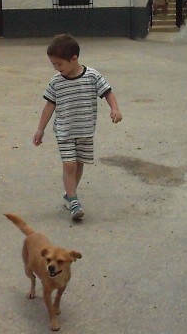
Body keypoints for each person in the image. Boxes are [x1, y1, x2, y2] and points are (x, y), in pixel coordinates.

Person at [33, 34, 122, 221]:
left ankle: (69, 193)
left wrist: (114, 108)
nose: (57, 69)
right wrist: (40, 129)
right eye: (54, 65)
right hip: (64, 131)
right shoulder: (56, 81)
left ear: (74, 58)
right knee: (69, 164)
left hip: (85, 131)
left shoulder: (92, 76)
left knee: (79, 164)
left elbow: (108, 92)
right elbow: (49, 105)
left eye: (59, 64)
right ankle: (74, 201)